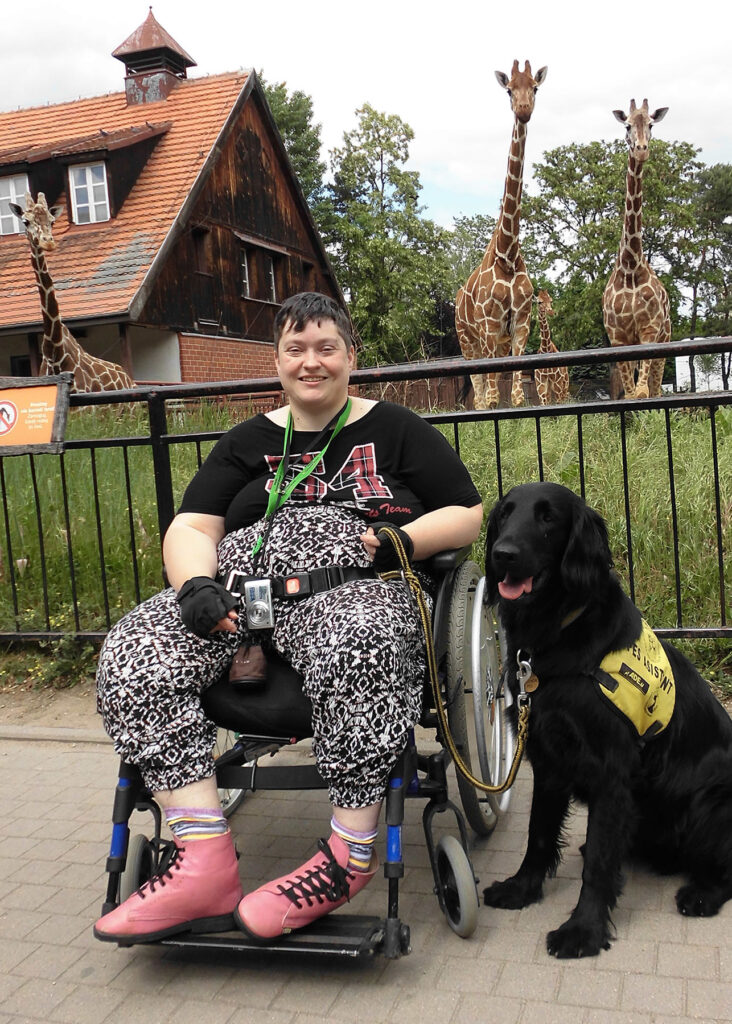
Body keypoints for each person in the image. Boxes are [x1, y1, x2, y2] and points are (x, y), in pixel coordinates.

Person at [93, 291, 483, 944]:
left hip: (352, 587)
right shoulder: (247, 441)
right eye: (295, 348)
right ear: (276, 361)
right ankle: (202, 861)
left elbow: (466, 511)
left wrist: (406, 539)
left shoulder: (395, 429)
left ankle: (348, 857)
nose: (311, 362)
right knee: (132, 655)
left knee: (361, 643)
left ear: (351, 356)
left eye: (326, 347)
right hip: (241, 597)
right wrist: (195, 585)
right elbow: (193, 525)